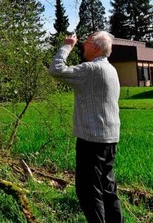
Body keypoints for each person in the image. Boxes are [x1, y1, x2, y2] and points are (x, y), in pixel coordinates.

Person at [48, 31, 123, 223]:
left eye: (87, 42)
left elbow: (56, 69)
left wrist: (67, 45)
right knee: (108, 188)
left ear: (96, 47)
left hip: (91, 138)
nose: (82, 44)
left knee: (88, 191)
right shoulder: (111, 69)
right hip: (110, 138)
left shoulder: (91, 69)